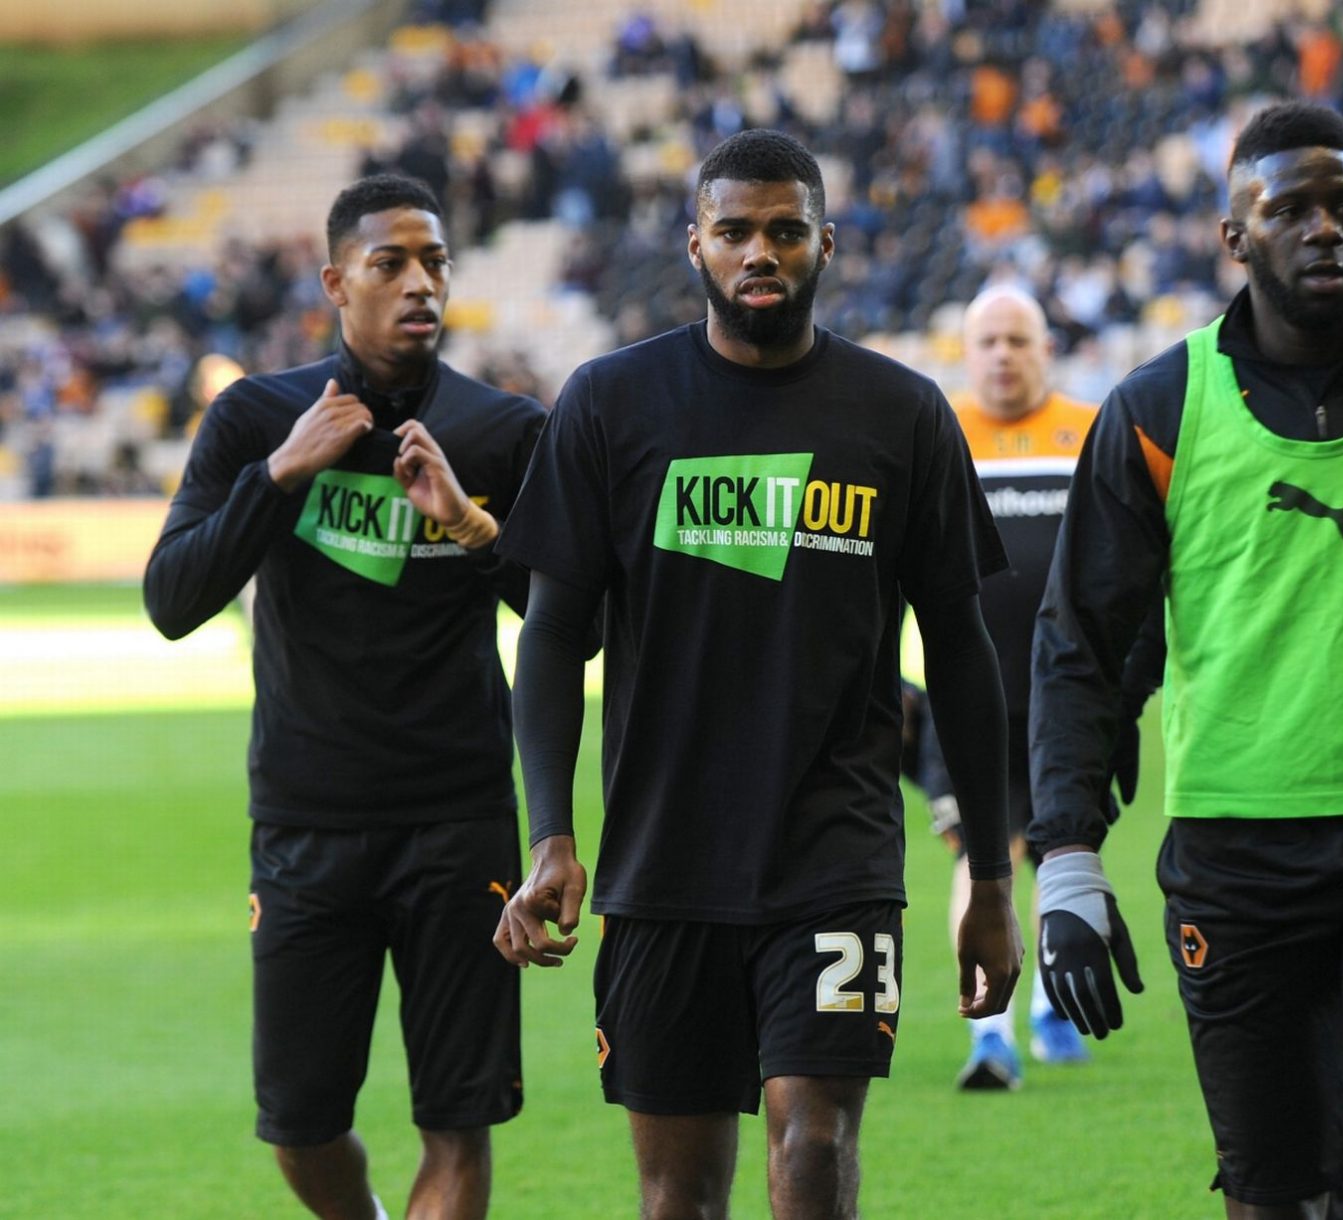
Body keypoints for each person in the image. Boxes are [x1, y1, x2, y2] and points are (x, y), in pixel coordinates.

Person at [490, 129, 1022, 1220]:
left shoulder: (902, 413)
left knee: (813, 1146)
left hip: (835, 854)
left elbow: (961, 651)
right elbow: (549, 636)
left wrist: (993, 885)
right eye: (734, 230)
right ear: (694, 245)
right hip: (660, 863)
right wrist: (549, 832)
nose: (759, 252)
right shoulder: (608, 404)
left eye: (785, 230)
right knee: (677, 1196)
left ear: (826, 243)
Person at [1030, 101, 1343, 1219]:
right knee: (1276, 1197)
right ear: (1233, 237)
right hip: (1235, 852)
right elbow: (1083, 644)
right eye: (1290, 209)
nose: (1325, 229)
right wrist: (1067, 854)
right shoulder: (1156, 411)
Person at [143, 173, 545, 1220]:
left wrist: (469, 522)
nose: (421, 284)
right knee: (302, 1125)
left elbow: (571, 620)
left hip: (460, 819)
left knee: (457, 1119)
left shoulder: (501, 431)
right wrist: (278, 476)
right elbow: (173, 600)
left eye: (436, 262)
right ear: (335, 282)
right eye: (391, 263)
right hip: (305, 820)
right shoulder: (257, 417)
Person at [912, 285, 1134, 1089]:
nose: (1003, 354)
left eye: (1018, 340)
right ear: (966, 355)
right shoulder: (936, 434)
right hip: (964, 696)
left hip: (1068, 697)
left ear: (1046, 348)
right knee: (979, 857)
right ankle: (990, 1031)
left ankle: (1048, 1008)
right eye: (988, 342)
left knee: (1058, 851)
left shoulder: (1093, 429)